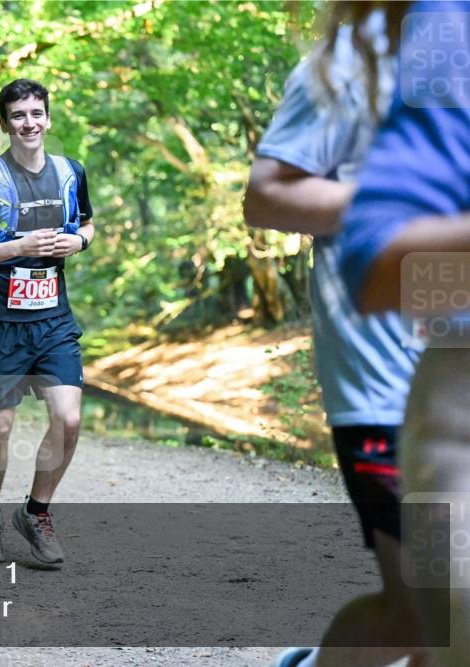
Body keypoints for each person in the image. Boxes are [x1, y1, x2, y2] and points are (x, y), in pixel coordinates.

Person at [244, 10, 430, 667]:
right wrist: (411, 197)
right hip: (390, 386)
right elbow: (266, 196)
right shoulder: (350, 62)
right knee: (425, 614)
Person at [337, 3, 470, 664]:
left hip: (413, 382)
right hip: (420, 394)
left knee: (412, 623)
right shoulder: (448, 25)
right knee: (411, 618)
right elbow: (379, 267)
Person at [0, 79, 94, 566]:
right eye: (18, 115)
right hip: (0, 321)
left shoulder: (70, 172)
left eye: (36, 113)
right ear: (4, 123)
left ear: (48, 119)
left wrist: (80, 241)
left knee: (68, 418)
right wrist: (18, 246)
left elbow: (88, 224)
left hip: (54, 318)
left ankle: (36, 512)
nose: (28, 122)